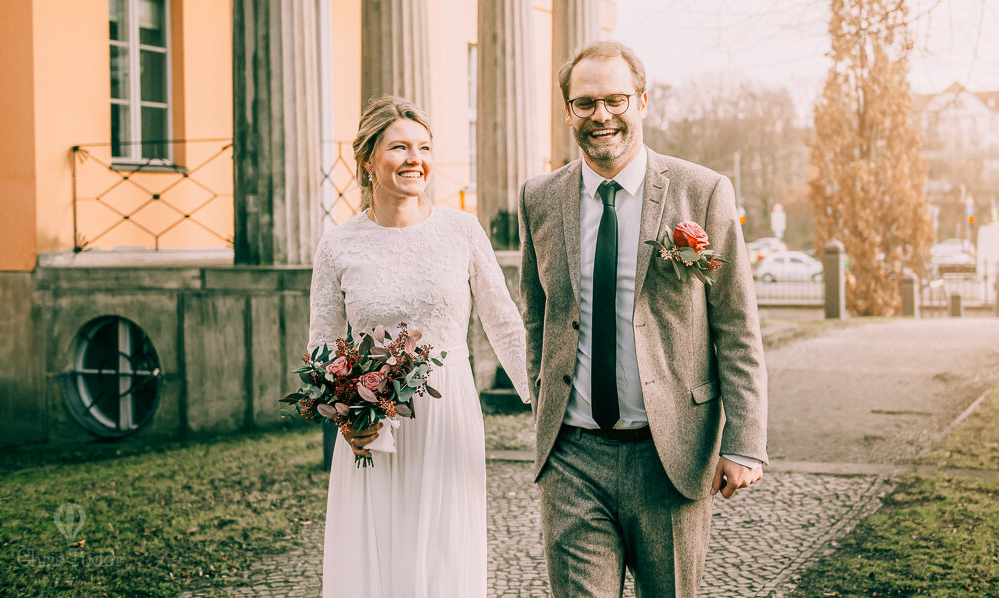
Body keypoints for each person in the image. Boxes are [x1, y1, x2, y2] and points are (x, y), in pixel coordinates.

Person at [519, 41, 769, 597]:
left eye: (615, 100)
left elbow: (736, 327)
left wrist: (745, 440)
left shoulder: (702, 192)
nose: (601, 116)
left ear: (644, 102)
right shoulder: (538, 198)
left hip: (670, 456)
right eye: (585, 103)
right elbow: (538, 315)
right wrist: (544, 404)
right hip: (572, 459)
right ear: (568, 112)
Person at [308, 96, 529, 598]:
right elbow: (322, 345)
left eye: (424, 147)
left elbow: (505, 325)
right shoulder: (338, 244)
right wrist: (344, 417)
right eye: (399, 147)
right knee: (376, 547)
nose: (415, 159)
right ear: (367, 160)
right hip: (372, 421)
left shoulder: (462, 231)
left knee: (444, 548)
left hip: (448, 414)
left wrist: (546, 404)